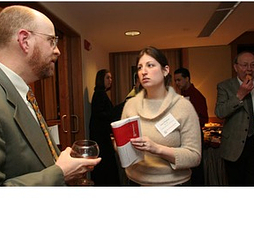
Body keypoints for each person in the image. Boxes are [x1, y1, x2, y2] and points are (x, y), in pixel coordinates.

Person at [0, 5, 101, 186]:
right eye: (51, 40)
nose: (57, 50)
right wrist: (60, 173)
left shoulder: (22, 92)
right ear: (25, 40)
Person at [121, 46, 201, 186]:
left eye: (150, 65)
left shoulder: (183, 107)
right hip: (135, 182)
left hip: (173, 184)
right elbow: (123, 147)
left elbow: (194, 157)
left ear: (165, 70)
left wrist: (157, 149)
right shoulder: (130, 105)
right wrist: (120, 146)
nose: (143, 72)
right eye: (139, 68)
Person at [215, 51, 254, 186]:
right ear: (236, 67)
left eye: (253, 65)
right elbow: (220, 112)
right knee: (237, 186)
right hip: (235, 146)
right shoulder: (225, 86)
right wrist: (239, 95)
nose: (249, 69)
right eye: (244, 65)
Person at [174, 67, 208, 186]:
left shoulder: (197, 96)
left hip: (194, 137)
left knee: (196, 170)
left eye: (179, 80)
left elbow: (204, 119)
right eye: (175, 81)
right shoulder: (181, 96)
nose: (177, 83)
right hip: (183, 137)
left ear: (187, 79)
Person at [89, 69, 121, 186]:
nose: (110, 80)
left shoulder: (100, 93)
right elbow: (101, 114)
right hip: (101, 138)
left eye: (111, 78)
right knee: (106, 165)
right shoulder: (99, 94)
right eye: (107, 78)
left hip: (101, 136)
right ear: (101, 79)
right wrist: (118, 109)